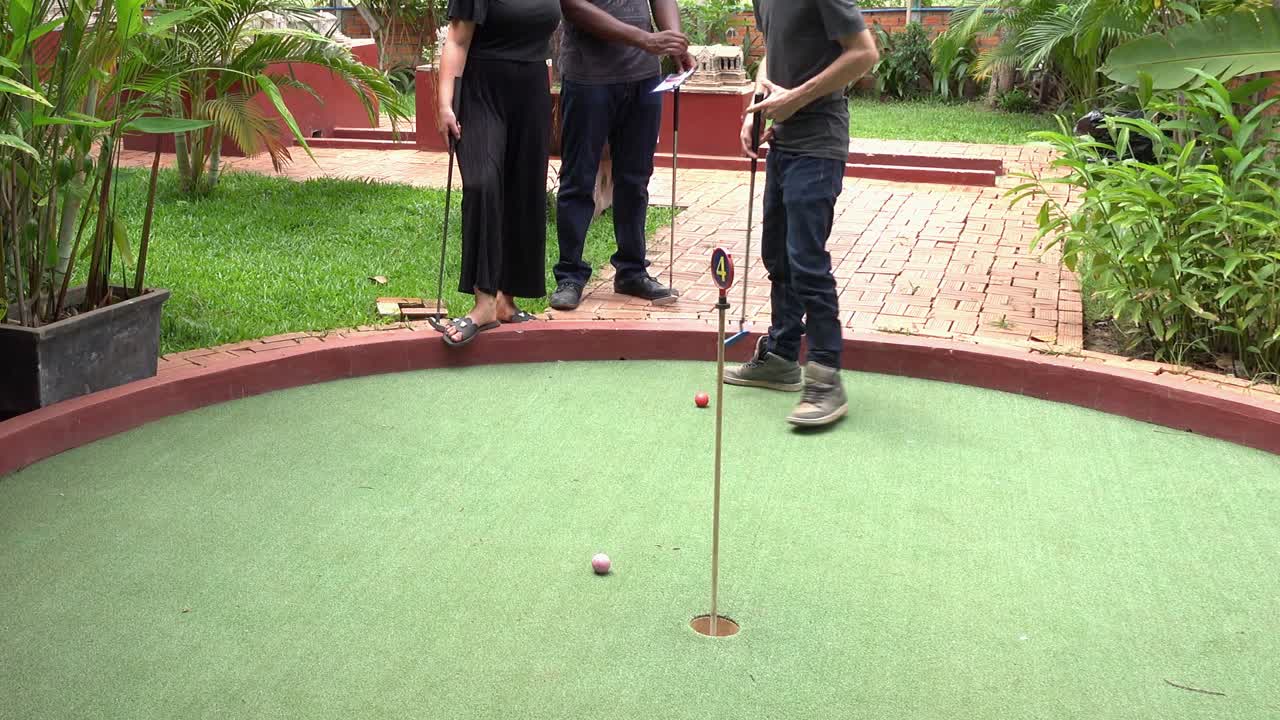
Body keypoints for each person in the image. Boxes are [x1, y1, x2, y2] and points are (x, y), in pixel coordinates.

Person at [723, 0, 879, 427]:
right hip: (785, 143)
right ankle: (780, 356)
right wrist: (757, 106)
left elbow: (864, 53)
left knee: (806, 262)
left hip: (819, 144)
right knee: (777, 256)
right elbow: (773, 54)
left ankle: (826, 379)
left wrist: (797, 99)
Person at [548, 0, 695, 311]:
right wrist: (645, 39)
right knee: (578, 179)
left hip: (644, 79)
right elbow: (573, 6)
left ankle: (632, 271)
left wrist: (674, 39)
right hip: (589, 78)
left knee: (635, 179)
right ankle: (570, 275)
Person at [433, 0, 563, 346]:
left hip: (532, 89)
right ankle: (484, 303)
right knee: (481, 183)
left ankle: (506, 299)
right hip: (480, 90)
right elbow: (457, 41)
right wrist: (445, 104)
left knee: (523, 191)